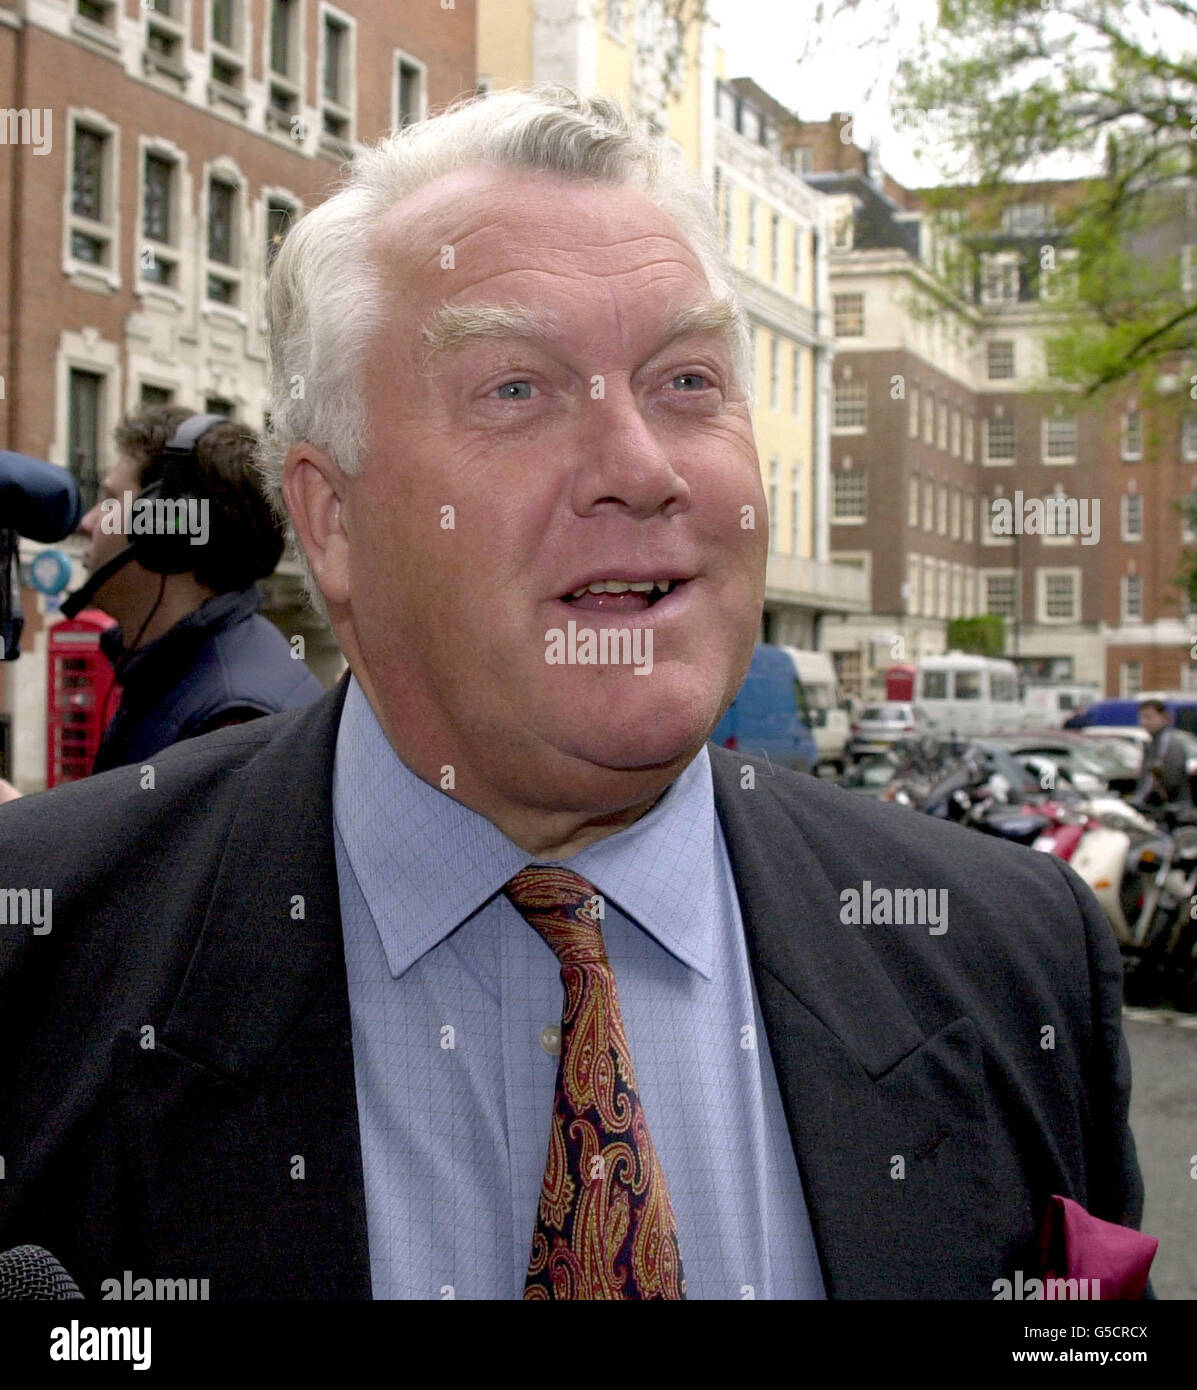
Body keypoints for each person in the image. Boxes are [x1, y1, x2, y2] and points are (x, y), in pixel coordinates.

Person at [0, 88, 1148, 1300]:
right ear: (333, 521)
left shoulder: (1011, 954)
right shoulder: (40, 962)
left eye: (689, 381)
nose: (641, 469)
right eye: (517, 390)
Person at [73, 404, 324, 774]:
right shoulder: (188, 670)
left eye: (109, 502)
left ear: (165, 531)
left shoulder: (233, 719)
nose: (86, 522)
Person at [1130, 698, 1194, 812]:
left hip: (1172, 811)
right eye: (1141, 717)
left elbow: (1156, 777)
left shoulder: (1166, 742)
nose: (1144, 722)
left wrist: (1138, 801)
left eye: (1149, 717)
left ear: (1164, 717)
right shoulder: (1154, 741)